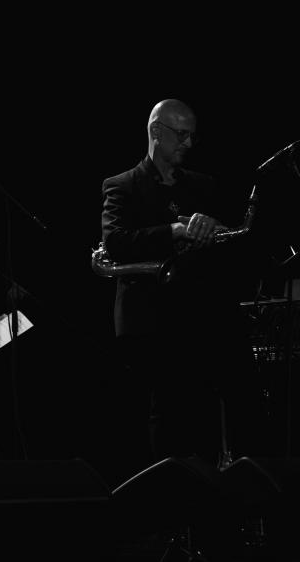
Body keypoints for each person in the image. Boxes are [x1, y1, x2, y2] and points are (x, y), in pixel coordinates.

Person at [100, 99, 265, 466]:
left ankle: (230, 487)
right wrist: (174, 230)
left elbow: (232, 245)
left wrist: (214, 229)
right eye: (181, 135)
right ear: (156, 131)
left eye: (192, 136)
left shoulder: (203, 185)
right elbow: (116, 241)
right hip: (153, 317)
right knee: (170, 410)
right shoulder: (122, 185)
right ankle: (173, 492)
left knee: (229, 400)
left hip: (203, 310)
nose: (188, 143)